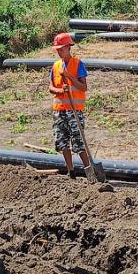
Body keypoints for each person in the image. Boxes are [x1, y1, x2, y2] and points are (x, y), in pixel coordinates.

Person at [47, 32, 91, 178]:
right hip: (59, 110)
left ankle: (89, 170)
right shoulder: (55, 66)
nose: (59, 52)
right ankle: (70, 171)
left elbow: (83, 87)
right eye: (57, 49)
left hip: (75, 110)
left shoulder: (78, 64)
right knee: (62, 140)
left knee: (78, 141)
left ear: (68, 47)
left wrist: (69, 77)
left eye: (61, 49)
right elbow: (51, 87)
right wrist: (60, 90)